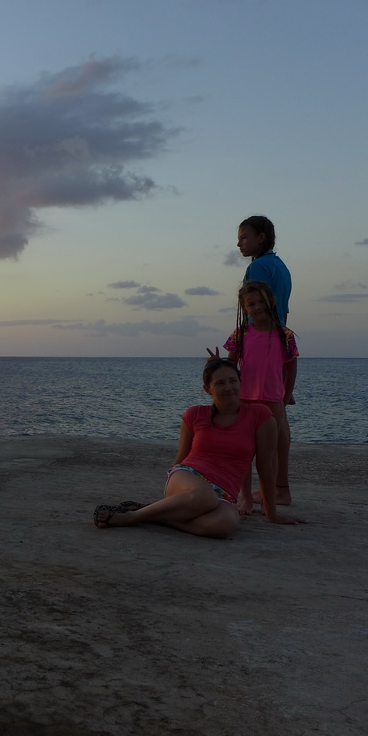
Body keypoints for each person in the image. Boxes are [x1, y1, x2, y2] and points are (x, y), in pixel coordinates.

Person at [92, 357, 306, 538]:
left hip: (224, 493)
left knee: (226, 523)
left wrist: (272, 513)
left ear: (241, 383)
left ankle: (155, 515)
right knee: (205, 496)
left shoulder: (260, 416)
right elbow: (182, 457)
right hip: (188, 477)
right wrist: (173, 480)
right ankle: (131, 517)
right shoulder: (195, 414)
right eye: (220, 383)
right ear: (207, 389)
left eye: (233, 381)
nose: (228, 387)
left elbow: (265, 466)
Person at [223, 280, 298, 507]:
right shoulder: (241, 334)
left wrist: (284, 399)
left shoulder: (285, 335)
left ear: (271, 301)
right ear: (244, 308)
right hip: (245, 400)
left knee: (269, 453)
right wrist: (216, 365)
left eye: (260, 302)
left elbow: (291, 369)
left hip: (273, 401)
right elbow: (230, 365)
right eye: (251, 304)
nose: (257, 307)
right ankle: (245, 497)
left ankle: (270, 495)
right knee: (244, 450)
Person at [237, 215, 291, 325]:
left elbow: (256, 310)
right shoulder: (281, 266)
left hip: (261, 332)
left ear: (261, 237)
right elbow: (284, 311)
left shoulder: (258, 266)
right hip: (279, 331)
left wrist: (250, 333)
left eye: (244, 238)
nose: (239, 244)